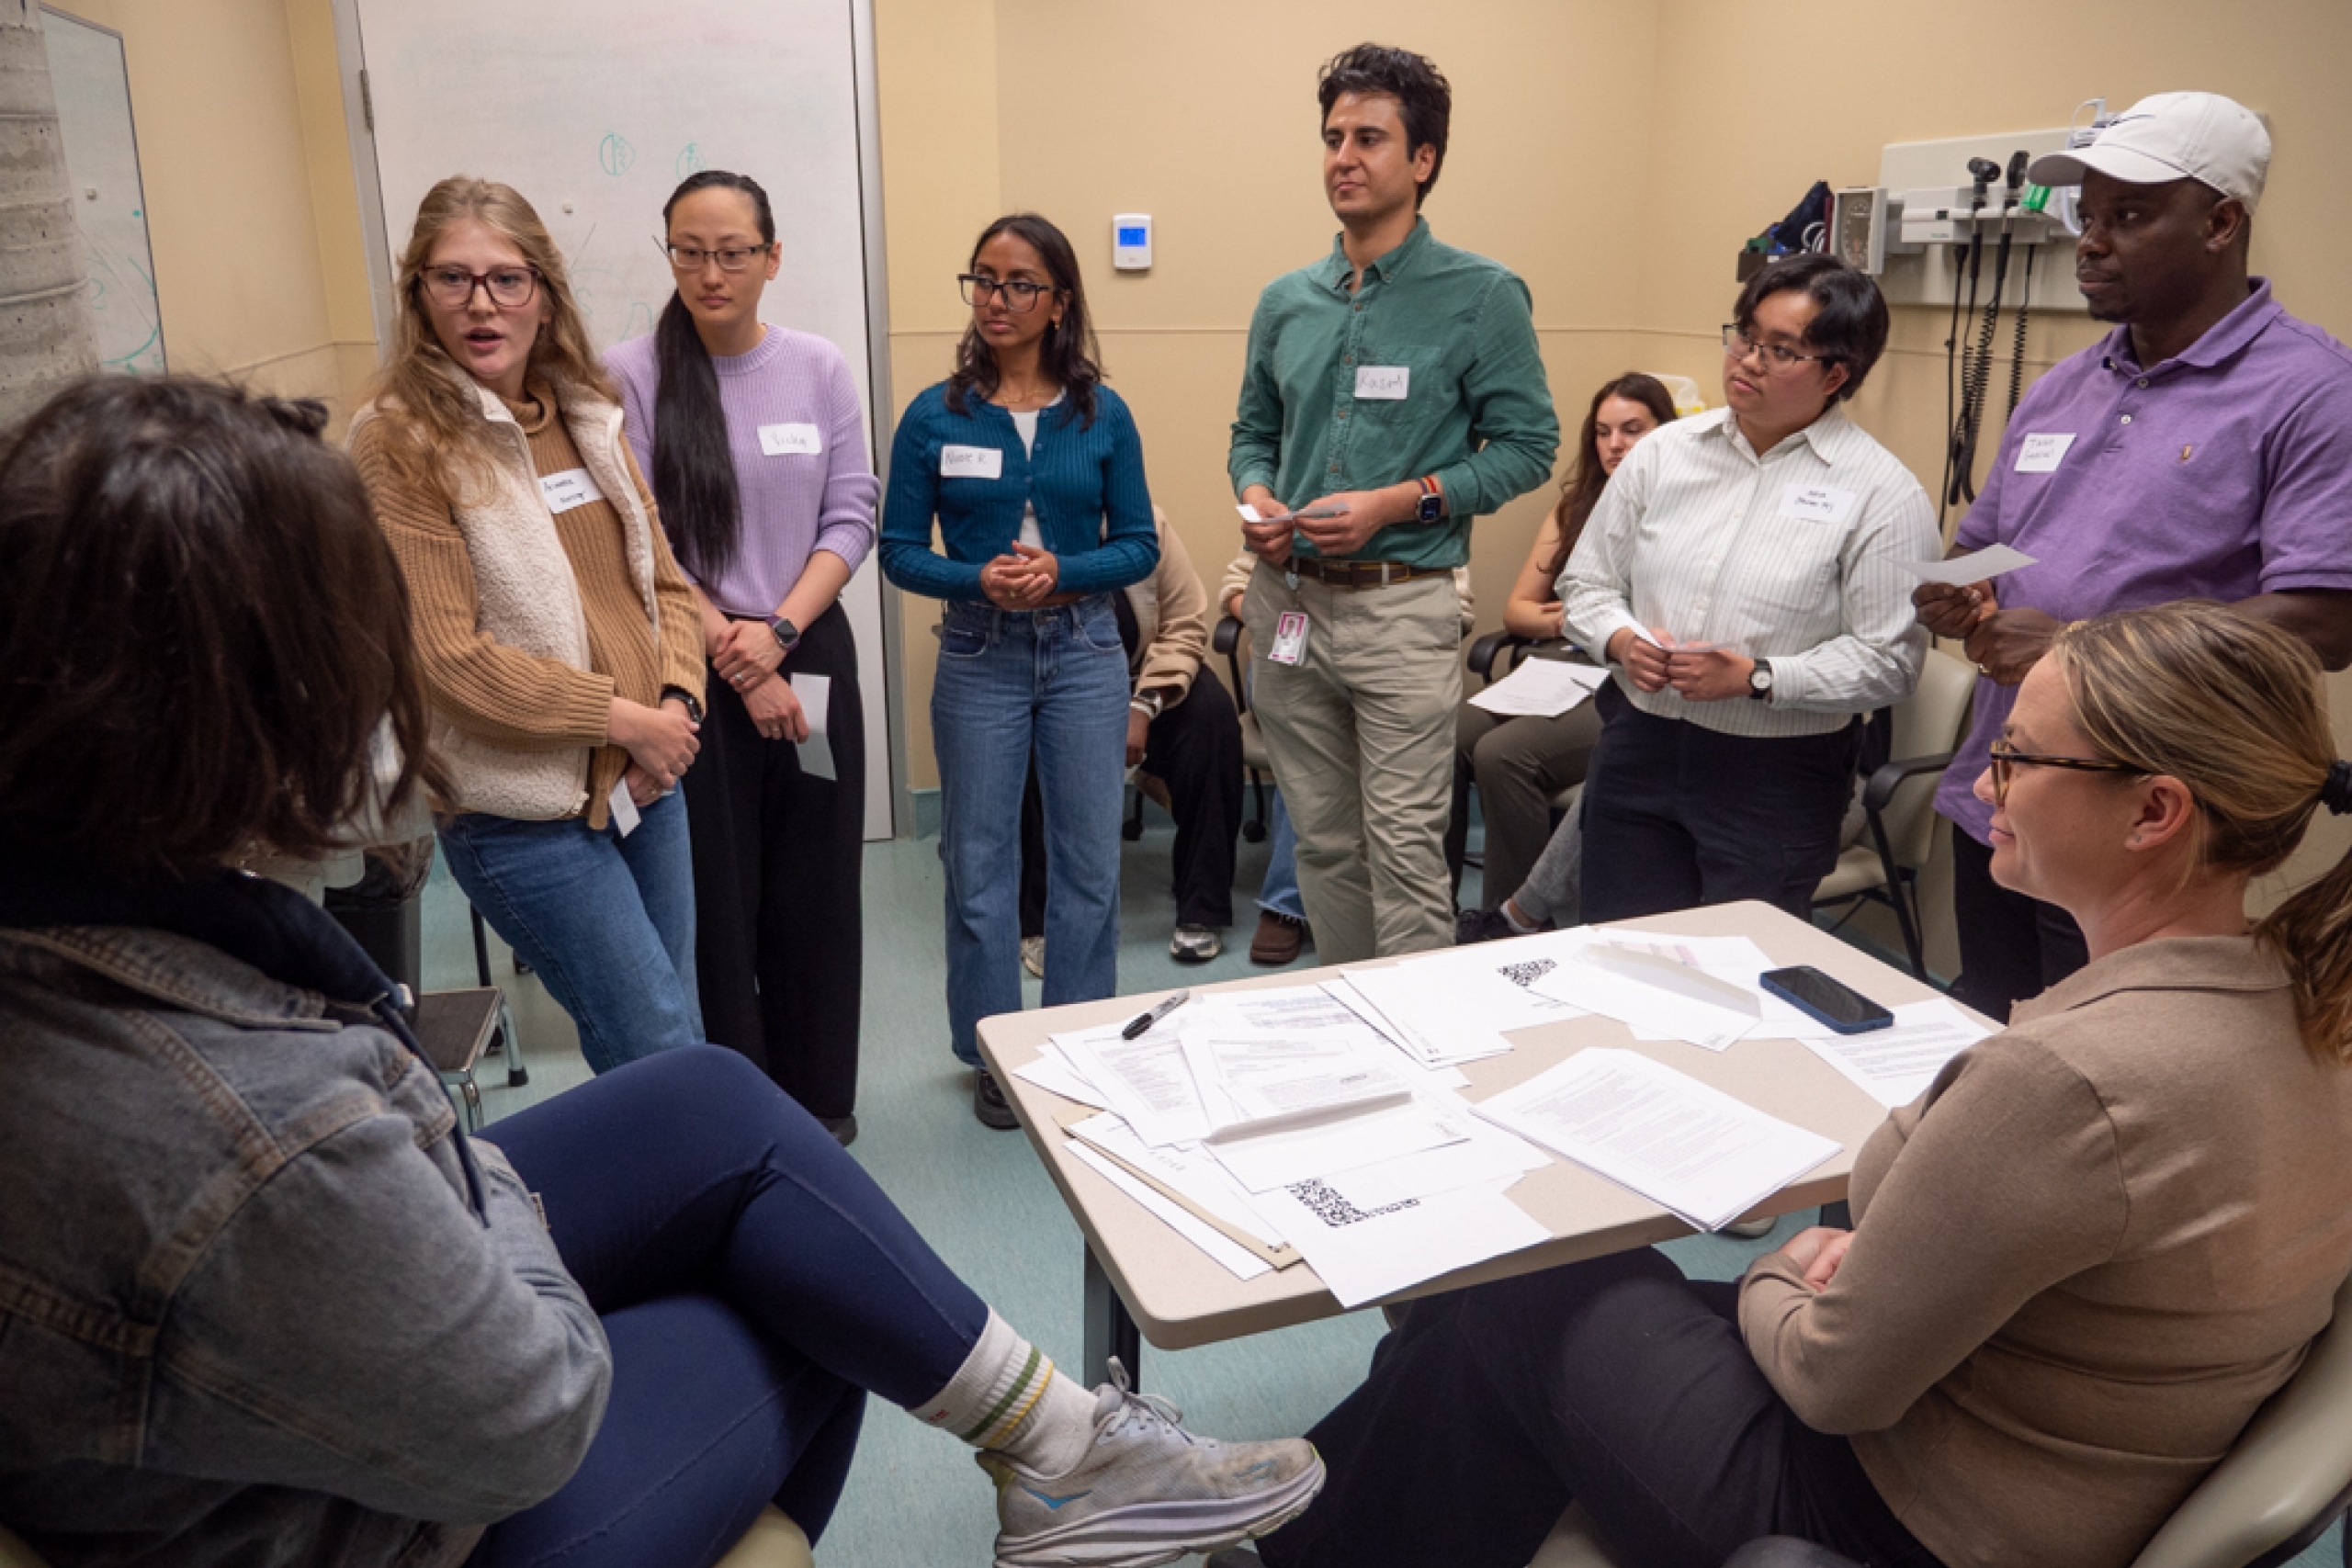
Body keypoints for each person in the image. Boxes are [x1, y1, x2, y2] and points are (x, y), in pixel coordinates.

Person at [0, 375, 1323, 1568]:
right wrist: (476, 1173)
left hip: (281, 1352)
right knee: (812, 1295)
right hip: (383, 1526)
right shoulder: (257, 1137)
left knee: (707, 1096)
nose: (388, 675)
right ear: (227, 707)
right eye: (359, 632)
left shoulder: (91, 937)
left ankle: (1069, 1454)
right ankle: (1066, 1460)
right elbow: (529, 1412)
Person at [1213, 599, 2352, 1568]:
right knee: (1486, 1333)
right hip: (2057, 1468)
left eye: (2020, 756)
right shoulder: (2303, 1011)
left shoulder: (2067, 1082)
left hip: (1894, 1508)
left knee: (1514, 1283)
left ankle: (1312, 1535)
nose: (1985, 779)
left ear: (2155, 812)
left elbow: (1830, 1378)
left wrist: (1781, 1269)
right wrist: (1889, 1258)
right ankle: (1319, 1524)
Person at [1915, 91, 2352, 1023]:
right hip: (2000, 792)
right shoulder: (2065, 384)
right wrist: (1958, 589)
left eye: (2128, 216)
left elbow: (2325, 619)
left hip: (2145, 830)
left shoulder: (2309, 393)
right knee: (1992, 1028)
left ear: (2220, 223)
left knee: (2106, 1069)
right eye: (2088, 216)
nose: (2091, 242)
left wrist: (2072, 643)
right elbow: (1983, 543)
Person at [347, 176, 707, 1076]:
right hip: (522, 814)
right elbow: (446, 660)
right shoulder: (398, 440)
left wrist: (676, 699)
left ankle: (663, 1209)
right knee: (656, 1045)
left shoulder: (584, 413)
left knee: (670, 1033)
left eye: (508, 279)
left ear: (544, 296)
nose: (482, 304)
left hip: (646, 785)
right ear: (418, 296)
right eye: (453, 279)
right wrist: (630, 721)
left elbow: (664, 584)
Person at [1230, 42, 1559, 964]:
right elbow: (1250, 432)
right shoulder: (1285, 301)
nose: (1343, 156)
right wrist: (1255, 494)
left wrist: (1400, 502)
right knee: (1325, 843)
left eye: (1369, 137)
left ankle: (1420, 1061)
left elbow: (1530, 448)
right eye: (1333, 136)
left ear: (1422, 160)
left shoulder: (1480, 295)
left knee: (1406, 851)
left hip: (1398, 609)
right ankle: (1349, 1021)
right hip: (1288, 606)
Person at [605, 170, 875, 1143]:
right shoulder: (629, 374)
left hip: (808, 653)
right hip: (691, 664)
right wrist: (734, 650)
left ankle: (819, 1106)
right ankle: (744, 1112)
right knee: (716, 894)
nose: (710, 272)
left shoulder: (818, 367)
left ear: (771, 257)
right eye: (688, 250)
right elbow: (642, 533)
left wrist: (780, 639)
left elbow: (852, 513)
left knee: (815, 886)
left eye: (731, 252)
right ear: (667, 252)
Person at [881, 213, 1159, 1129]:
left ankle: (1076, 1045)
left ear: (1060, 302)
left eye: (1020, 284)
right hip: (977, 653)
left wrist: (1063, 571)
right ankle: (996, 1052)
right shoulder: (935, 413)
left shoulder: (1101, 414)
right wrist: (977, 578)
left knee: (1087, 866)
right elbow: (896, 552)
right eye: (984, 281)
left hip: (1083, 650)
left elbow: (1138, 548)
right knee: (979, 863)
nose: (998, 300)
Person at [1561, 254, 1936, 924]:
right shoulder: (1663, 453)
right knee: (1618, 947)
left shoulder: (1882, 492)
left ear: (1836, 374)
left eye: (1781, 350)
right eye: (1745, 335)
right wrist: (1620, 639)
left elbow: (1892, 661)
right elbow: (1586, 583)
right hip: (1639, 742)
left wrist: (1759, 678)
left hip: (1775, 774)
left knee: (1741, 970)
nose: (1748, 361)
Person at [1450, 372, 1679, 939]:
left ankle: (1516, 918)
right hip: (1559, 663)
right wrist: (1583, 616)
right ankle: (1437, 899)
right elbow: (1518, 612)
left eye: (1632, 430)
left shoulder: (1682, 512)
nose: (1615, 446)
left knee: (1504, 754)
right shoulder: (1576, 505)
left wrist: (1607, 629)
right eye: (1602, 432)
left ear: (1667, 435)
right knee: (1447, 733)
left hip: (1623, 679)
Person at [1216, 549, 1476, 964]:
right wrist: (1276, 618)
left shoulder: (1415, 510)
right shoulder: (1288, 494)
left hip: (1399, 639)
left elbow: (1456, 601)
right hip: (1293, 645)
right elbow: (1237, 581)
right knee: (1323, 845)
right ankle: (1345, 980)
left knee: (1406, 850)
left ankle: (1416, 1014)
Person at [1020, 512, 1242, 965]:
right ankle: (1039, 922)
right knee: (1023, 747)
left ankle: (1202, 909)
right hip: (1047, 684)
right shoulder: (1020, 528)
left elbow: (1184, 624)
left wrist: (1142, 705)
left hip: (1142, 677)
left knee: (1213, 719)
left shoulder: (1148, 524)